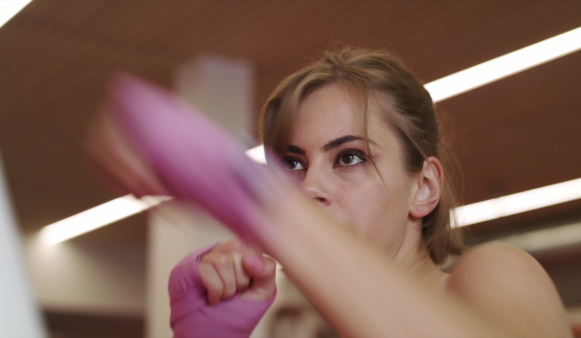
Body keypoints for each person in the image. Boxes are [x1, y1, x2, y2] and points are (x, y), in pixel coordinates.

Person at [88, 49, 573, 337]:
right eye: (292, 165)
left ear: (423, 188)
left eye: (350, 157)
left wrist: (250, 193)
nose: (307, 188)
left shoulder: (493, 275)